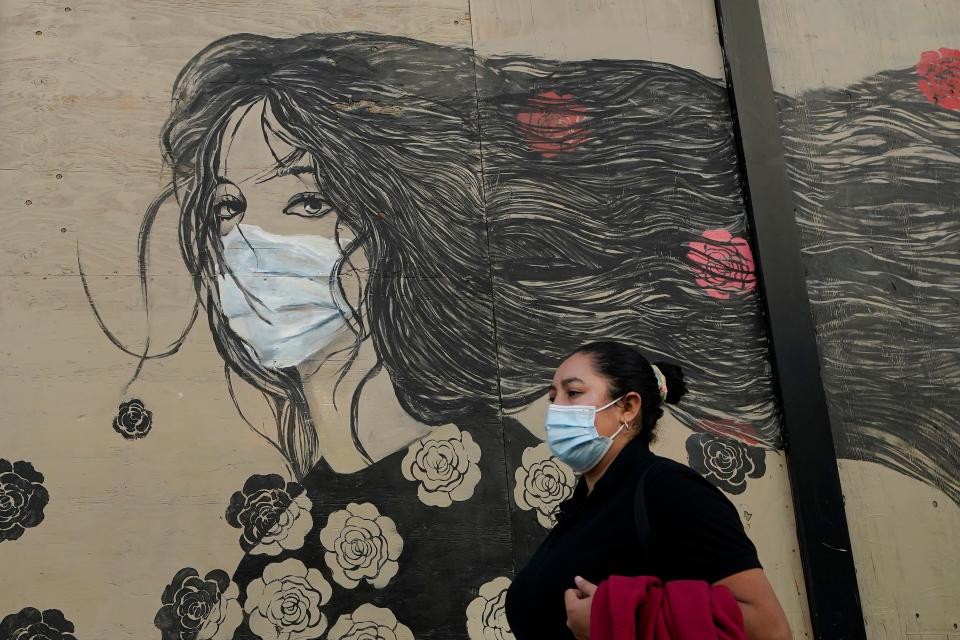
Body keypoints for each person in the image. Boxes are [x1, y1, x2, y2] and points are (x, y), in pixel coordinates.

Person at [505, 341, 792, 640]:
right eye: (553, 398)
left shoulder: (670, 490)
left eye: (573, 393)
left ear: (628, 407)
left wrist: (618, 617)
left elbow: (770, 629)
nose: (556, 410)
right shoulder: (582, 507)